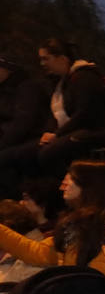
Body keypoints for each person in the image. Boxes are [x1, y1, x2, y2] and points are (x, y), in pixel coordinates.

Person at [0, 160, 105, 276]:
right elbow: (37, 252)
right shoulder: (76, 226)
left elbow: (99, 282)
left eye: (71, 177)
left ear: (90, 185)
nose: (63, 184)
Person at [33, 38, 105, 175]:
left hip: (98, 132)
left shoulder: (84, 78)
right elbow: (57, 114)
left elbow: (85, 114)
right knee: (30, 152)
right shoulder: (63, 83)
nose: (42, 64)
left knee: (46, 155)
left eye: (46, 59)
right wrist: (49, 134)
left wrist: (57, 135)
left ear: (62, 59)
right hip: (79, 132)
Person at [0, 53, 50, 195]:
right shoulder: (4, 90)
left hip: (30, 139)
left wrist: (2, 145)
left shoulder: (28, 88)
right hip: (11, 141)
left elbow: (23, 124)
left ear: (8, 68)